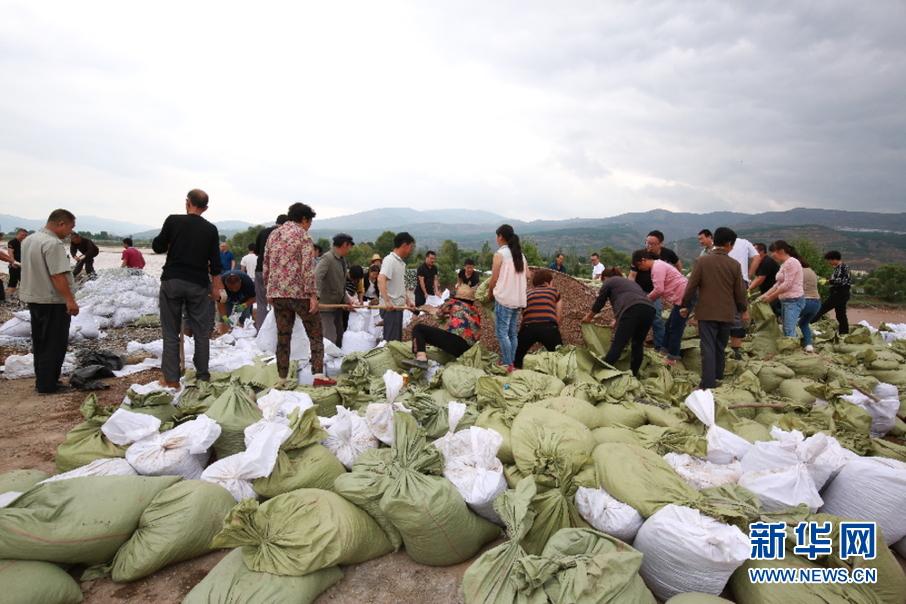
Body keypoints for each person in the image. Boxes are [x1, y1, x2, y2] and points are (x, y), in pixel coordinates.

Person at [152, 189, 224, 388]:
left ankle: (172, 380)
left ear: (187, 203)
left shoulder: (173, 221)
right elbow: (216, 264)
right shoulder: (211, 229)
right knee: (201, 332)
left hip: (172, 281)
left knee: (171, 332)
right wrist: (216, 289)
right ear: (206, 208)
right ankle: (202, 376)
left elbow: (158, 246)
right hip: (198, 285)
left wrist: (169, 239)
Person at [265, 202, 333, 386]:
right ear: (304, 219)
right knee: (315, 333)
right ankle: (318, 375)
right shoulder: (303, 236)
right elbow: (307, 268)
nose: (309, 226)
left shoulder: (274, 234)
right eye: (309, 222)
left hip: (278, 293)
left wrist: (268, 289)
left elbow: (266, 264)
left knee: (283, 337)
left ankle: (281, 378)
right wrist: (312, 295)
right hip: (299, 293)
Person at [19, 210, 80, 394]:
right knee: (54, 343)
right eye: (70, 227)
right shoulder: (53, 244)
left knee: (41, 342)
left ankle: (44, 380)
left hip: (35, 298)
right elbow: (57, 275)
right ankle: (48, 385)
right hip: (52, 301)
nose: (70, 232)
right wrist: (70, 300)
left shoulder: (29, 240)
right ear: (61, 223)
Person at [681, 227, 748, 390]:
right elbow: (740, 291)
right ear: (729, 243)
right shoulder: (734, 265)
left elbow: (691, 286)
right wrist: (742, 309)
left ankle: (707, 383)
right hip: (727, 313)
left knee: (708, 347)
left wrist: (685, 305)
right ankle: (718, 376)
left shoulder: (702, 261)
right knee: (720, 345)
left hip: (707, 312)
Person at [582, 267, 655, 377]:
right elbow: (628, 299)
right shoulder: (628, 283)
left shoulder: (609, 282)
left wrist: (589, 317)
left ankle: (601, 372)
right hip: (649, 309)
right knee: (637, 344)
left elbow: (600, 301)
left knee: (618, 344)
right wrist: (618, 319)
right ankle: (634, 375)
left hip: (632, 309)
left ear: (605, 278)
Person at [403, 284, 482, 369]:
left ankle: (421, 359)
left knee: (419, 328)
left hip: (455, 342)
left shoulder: (453, 302)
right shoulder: (475, 311)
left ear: (457, 296)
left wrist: (427, 309)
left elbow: (438, 314)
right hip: (468, 349)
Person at [634, 250, 689, 365]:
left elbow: (659, 289)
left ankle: (672, 357)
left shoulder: (657, 267)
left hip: (683, 297)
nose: (640, 269)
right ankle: (664, 351)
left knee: (676, 328)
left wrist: (646, 300)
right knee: (669, 325)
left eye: (639, 265)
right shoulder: (658, 264)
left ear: (643, 261)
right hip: (679, 297)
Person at [486, 224, 527, 370]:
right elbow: (528, 276)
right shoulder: (520, 255)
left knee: (502, 333)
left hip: (504, 298)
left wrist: (490, 293)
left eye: (497, 236)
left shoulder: (500, 254)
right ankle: (512, 362)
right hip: (518, 300)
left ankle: (507, 363)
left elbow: (494, 278)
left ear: (501, 236)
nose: (496, 239)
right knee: (512, 333)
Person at [514, 269, 563, 369]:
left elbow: (524, 314)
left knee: (518, 355)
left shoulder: (527, 293)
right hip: (549, 327)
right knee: (560, 357)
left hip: (528, 327)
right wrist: (554, 327)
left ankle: (515, 373)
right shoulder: (554, 291)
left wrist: (523, 330)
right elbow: (558, 314)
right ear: (547, 282)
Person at [757, 241, 805, 339]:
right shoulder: (784, 264)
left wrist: (771, 297)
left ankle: (792, 350)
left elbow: (787, 285)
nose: (772, 255)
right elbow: (777, 284)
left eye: (773, 251)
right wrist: (764, 295)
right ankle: (790, 348)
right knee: (786, 328)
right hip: (786, 300)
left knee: (789, 329)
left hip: (793, 300)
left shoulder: (791, 262)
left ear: (781, 251)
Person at [315, 233, 356, 347]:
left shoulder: (342, 260)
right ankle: (326, 362)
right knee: (329, 337)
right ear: (344, 245)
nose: (349, 250)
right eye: (349, 247)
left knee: (339, 335)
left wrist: (347, 300)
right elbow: (317, 276)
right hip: (326, 306)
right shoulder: (327, 258)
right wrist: (316, 297)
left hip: (337, 305)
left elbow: (341, 285)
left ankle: (336, 362)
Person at [378, 232, 416, 341]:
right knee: (391, 340)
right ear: (404, 245)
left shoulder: (401, 263)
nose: (410, 250)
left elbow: (401, 286)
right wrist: (387, 301)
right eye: (410, 247)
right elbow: (381, 279)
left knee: (396, 340)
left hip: (398, 308)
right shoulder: (390, 260)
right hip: (391, 308)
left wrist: (408, 301)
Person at [727, 234, 760, 358]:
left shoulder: (718, 245)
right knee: (739, 313)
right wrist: (749, 274)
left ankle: (724, 346)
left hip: (724, 280)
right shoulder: (745, 242)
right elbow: (757, 257)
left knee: (723, 312)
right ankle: (736, 350)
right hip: (742, 280)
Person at [253, 214, 288, 331]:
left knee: (261, 303)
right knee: (279, 303)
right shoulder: (286, 234)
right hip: (278, 273)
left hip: (260, 269)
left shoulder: (263, 232)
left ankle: (261, 331)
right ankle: (277, 331)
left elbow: (257, 251)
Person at [813, 250, 851, 335]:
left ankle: (807, 323)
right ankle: (844, 333)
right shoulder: (838, 268)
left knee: (822, 308)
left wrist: (827, 281)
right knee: (840, 314)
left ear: (834, 259)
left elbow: (840, 281)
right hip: (840, 293)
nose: (828, 262)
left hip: (840, 293)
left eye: (829, 260)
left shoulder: (843, 267)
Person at [749, 242, 781, 316]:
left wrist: (748, 289)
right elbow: (757, 277)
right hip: (768, 292)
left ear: (762, 251)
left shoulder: (767, 262)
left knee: (774, 313)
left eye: (754, 251)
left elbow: (760, 279)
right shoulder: (760, 262)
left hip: (774, 293)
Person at [798, 261, 821, 352]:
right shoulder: (811, 271)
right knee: (803, 323)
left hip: (804, 302)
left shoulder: (798, 272)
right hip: (816, 303)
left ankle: (791, 343)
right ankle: (808, 345)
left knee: (787, 320)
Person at [6, 228, 27, 296]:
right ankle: (9, 295)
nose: (24, 237)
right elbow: (10, 253)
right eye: (22, 235)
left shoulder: (26, 242)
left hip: (24, 265)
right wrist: (13, 262)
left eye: (25, 235)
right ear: (17, 234)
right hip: (14, 265)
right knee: (13, 281)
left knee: (24, 281)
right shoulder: (12, 242)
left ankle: (24, 296)